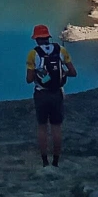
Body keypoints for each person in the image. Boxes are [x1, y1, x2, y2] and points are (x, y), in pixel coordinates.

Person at [26, 24, 75, 167]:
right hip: (57, 93)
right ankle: (56, 161)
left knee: (42, 127)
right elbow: (73, 72)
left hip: (41, 94)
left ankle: (44, 162)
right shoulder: (61, 50)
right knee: (56, 128)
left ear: (36, 39)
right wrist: (63, 73)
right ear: (48, 37)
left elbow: (29, 80)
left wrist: (37, 72)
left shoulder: (33, 54)